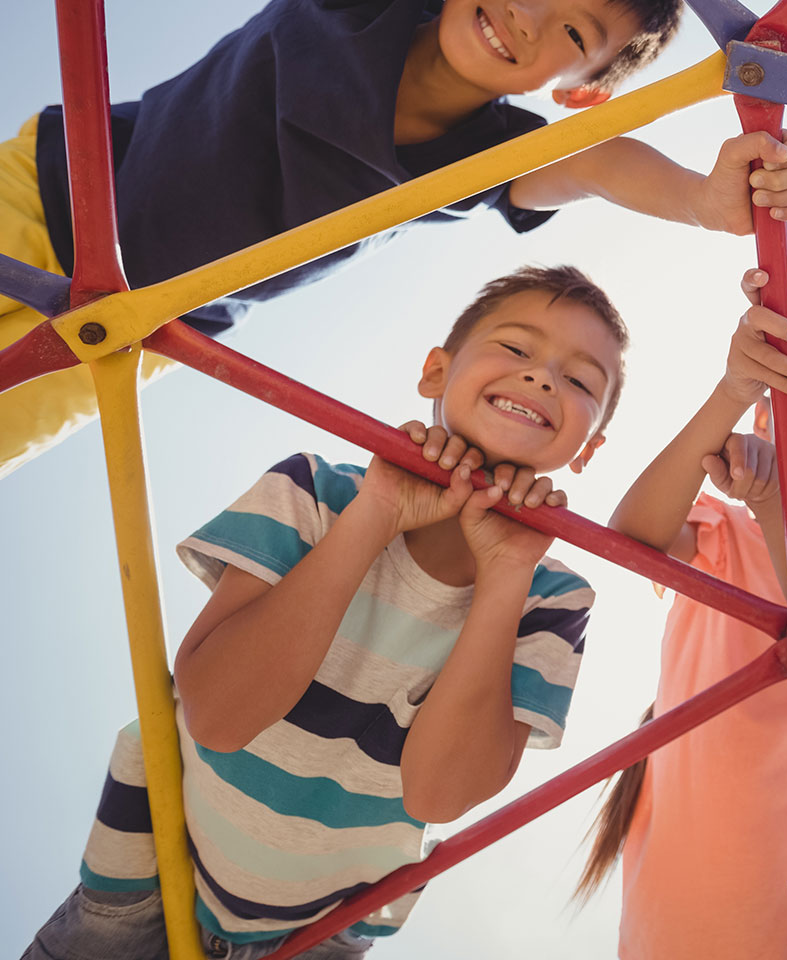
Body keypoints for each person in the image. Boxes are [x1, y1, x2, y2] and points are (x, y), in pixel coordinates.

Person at [20, 265, 626, 959]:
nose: (544, 378)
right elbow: (217, 713)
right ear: (434, 371)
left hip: (318, 933)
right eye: (516, 348)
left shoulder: (551, 596)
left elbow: (439, 794)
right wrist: (375, 513)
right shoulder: (316, 490)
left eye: (580, 382)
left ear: (591, 447)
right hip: (147, 871)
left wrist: (507, 572)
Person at [0, 0, 787, 477]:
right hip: (48, 191)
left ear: (582, 91)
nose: (527, 18)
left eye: (574, 34)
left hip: (130, 336)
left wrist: (707, 202)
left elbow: (598, 164)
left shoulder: (482, 157)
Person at [576, 268, 787, 960]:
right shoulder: (722, 529)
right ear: (767, 415)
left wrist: (774, 507)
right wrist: (731, 392)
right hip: (701, 863)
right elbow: (630, 539)